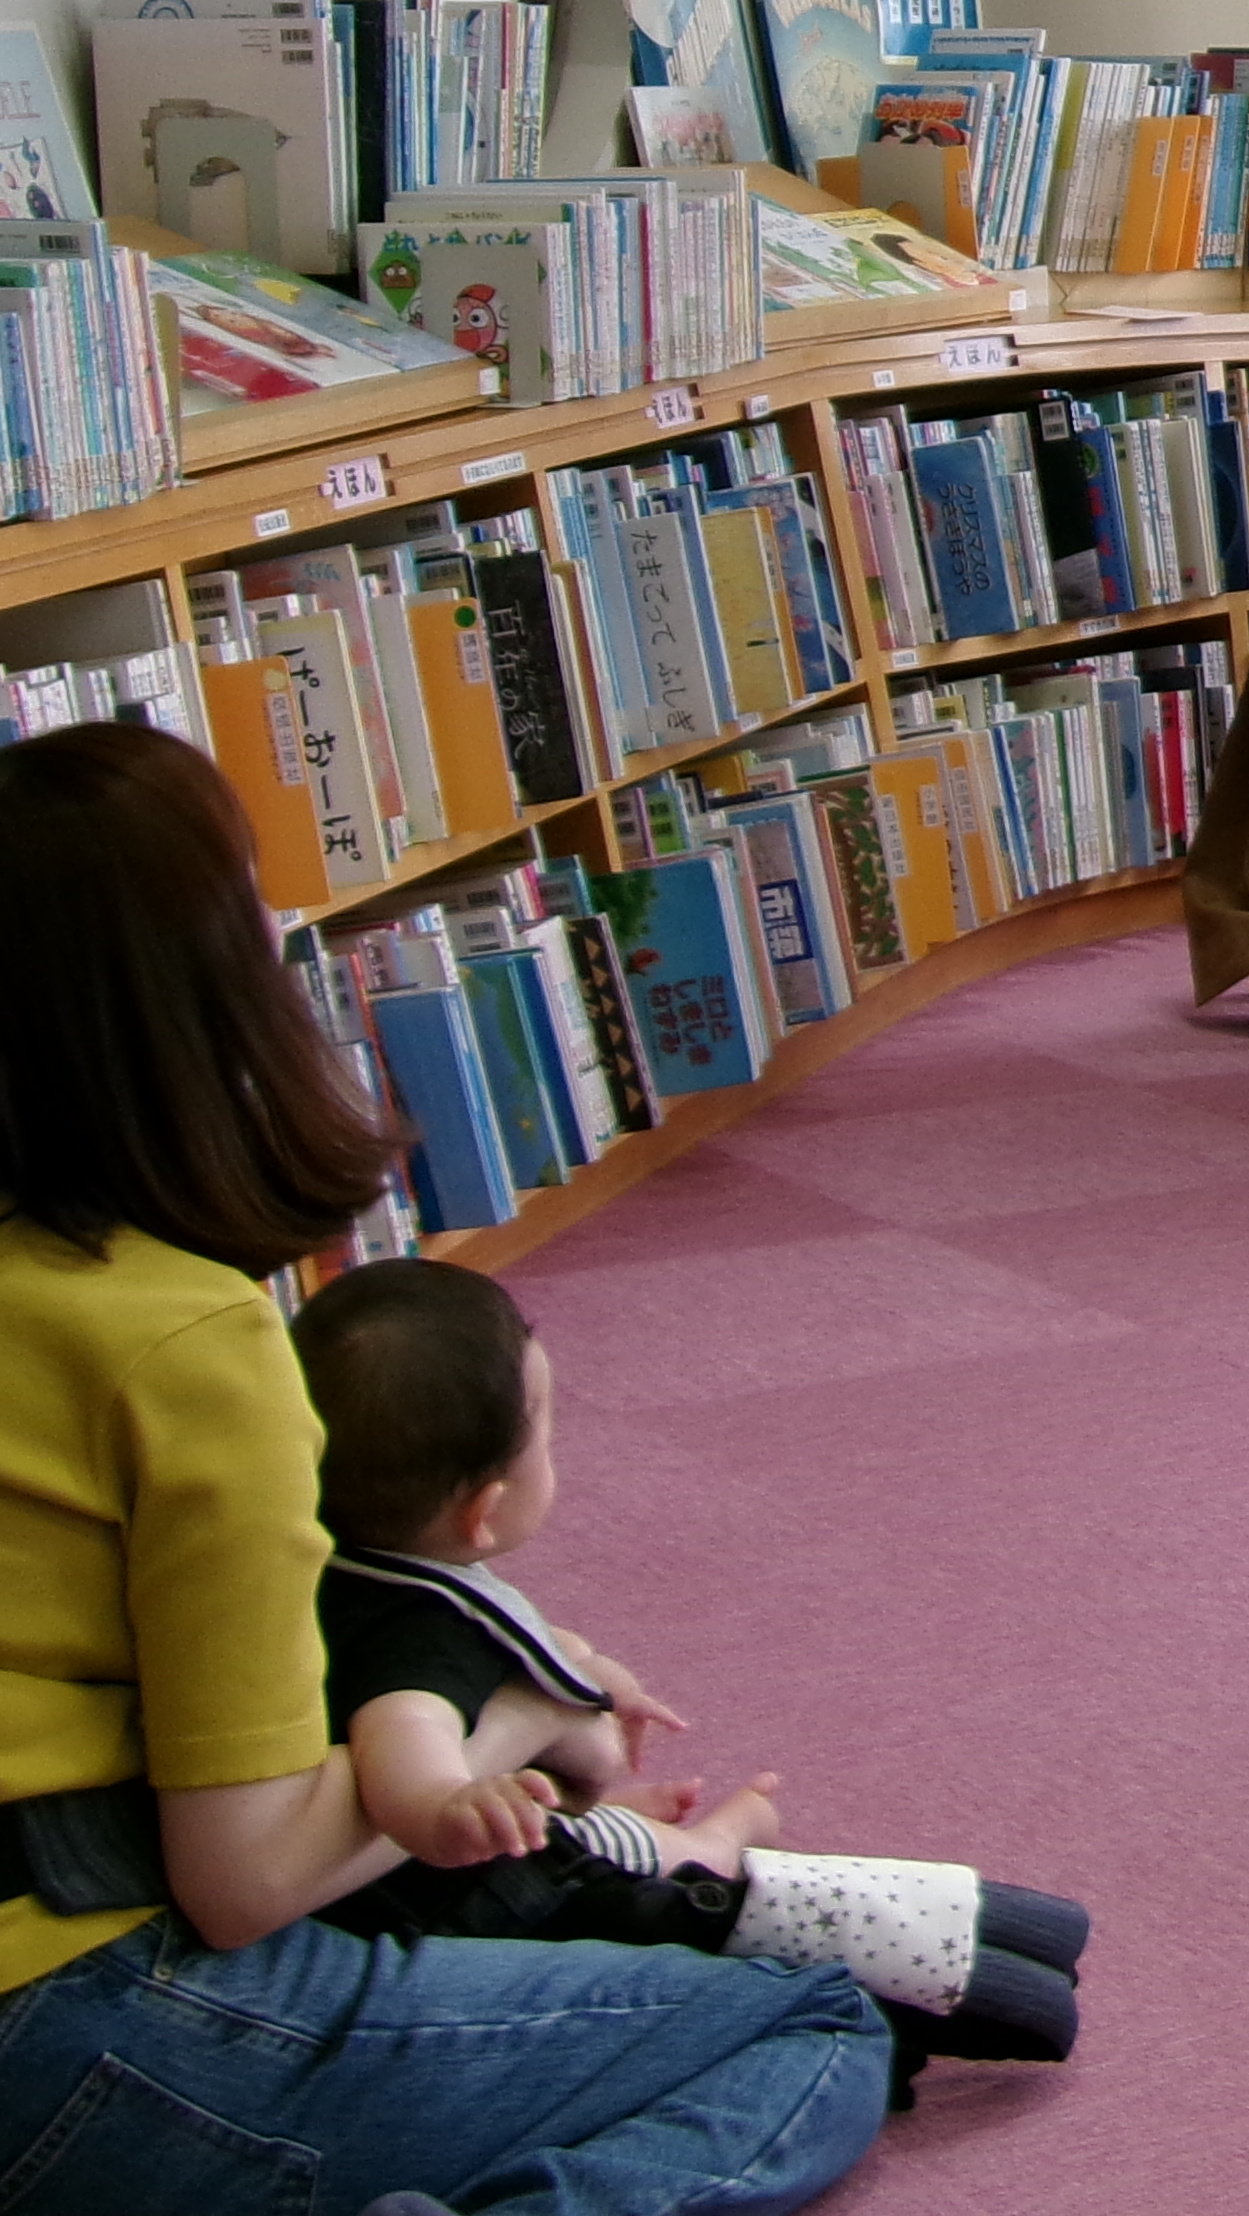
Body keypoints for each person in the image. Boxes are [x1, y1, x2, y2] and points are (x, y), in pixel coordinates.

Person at [0, 722, 886, 2215]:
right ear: (202, 988)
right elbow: (243, 1879)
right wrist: (512, 1715)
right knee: (812, 2025)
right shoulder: (182, 1339)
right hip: (58, 2017)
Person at [291, 1260, 1091, 2079]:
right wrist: (449, 1807)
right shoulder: (413, 1646)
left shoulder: (358, 1567)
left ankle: (698, 1841)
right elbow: (403, 1739)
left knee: (601, 1836)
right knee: (654, 1913)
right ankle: (716, 1853)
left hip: (512, 1852)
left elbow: (526, 1645)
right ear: (485, 1511)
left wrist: (595, 1675)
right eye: (548, 1445)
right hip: (482, 1909)